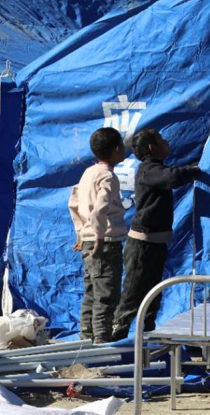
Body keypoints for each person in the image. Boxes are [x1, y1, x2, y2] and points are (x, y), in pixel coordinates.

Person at [111, 129, 202, 340]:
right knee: (133, 294)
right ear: (152, 148)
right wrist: (194, 170)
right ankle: (116, 338)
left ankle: (148, 337)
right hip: (142, 245)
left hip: (155, 243)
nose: (166, 142)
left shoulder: (156, 168)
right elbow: (171, 178)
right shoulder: (148, 170)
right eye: (161, 140)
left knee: (153, 295)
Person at [68, 127, 127, 343]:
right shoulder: (108, 176)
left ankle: (85, 340)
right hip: (105, 243)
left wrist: (80, 232)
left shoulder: (88, 173)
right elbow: (100, 209)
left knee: (92, 293)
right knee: (106, 296)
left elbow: (73, 202)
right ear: (116, 149)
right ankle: (101, 342)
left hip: (88, 240)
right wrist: (100, 237)